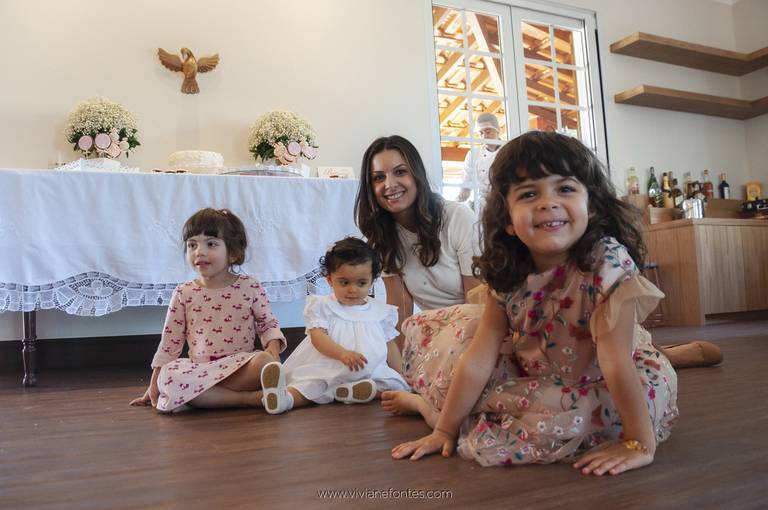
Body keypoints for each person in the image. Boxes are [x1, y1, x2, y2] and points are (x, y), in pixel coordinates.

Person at [389, 131, 679, 475]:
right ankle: (427, 409)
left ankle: (426, 408)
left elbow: (615, 362)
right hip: (534, 370)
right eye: (529, 194)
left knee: (577, 416)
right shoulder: (509, 272)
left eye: (565, 189)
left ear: (591, 205)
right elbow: (479, 359)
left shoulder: (606, 263)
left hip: (599, 380)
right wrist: (444, 431)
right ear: (508, 220)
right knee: (463, 380)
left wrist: (639, 442)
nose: (547, 203)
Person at [130, 208, 286, 412]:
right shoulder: (183, 293)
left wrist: (273, 350)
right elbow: (170, 342)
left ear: (233, 253)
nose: (199, 252)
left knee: (264, 361)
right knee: (169, 378)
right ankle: (250, 398)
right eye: (192, 245)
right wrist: (155, 384)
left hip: (240, 367)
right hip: (200, 371)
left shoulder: (250, 286)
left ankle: (214, 395)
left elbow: (267, 324)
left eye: (211, 244)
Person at [354, 135, 482, 348]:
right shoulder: (383, 235)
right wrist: (401, 364)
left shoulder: (457, 217)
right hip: (436, 333)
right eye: (378, 178)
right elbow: (400, 308)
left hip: (478, 330)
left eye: (400, 172)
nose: (389, 185)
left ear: (416, 174)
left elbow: (478, 302)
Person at [257, 237, 410, 414]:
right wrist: (341, 353)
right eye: (344, 282)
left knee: (394, 385)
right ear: (330, 280)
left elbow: (390, 345)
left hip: (369, 370)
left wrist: (401, 372)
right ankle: (285, 399)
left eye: (361, 283)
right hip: (328, 366)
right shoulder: (322, 305)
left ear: (372, 281)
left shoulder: (380, 311)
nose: (353, 289)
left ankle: (353, 391)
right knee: (310, 385)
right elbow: (318, 337)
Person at [456, 112, 504, 214]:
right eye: (481, 133)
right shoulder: (473, 154)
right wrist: (456, 205)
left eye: (488, 132)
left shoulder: (508, 150)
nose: (484, 136)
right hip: (481, 207)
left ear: (497, 130)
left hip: (504, 204)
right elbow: (466, 185)